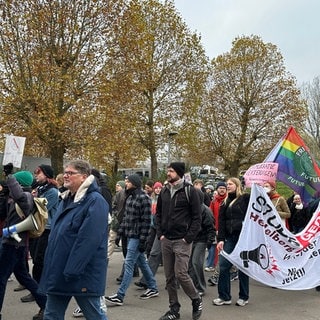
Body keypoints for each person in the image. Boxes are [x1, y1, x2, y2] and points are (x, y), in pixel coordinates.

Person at [38, 160, 109, 319]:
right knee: (51, 314)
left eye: (70, 173)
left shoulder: (95, 201)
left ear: (84, 177)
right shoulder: (66, 199)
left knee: (93, 313)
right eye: (65, 172)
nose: (65, 175)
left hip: (80, 273)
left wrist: (72, 270)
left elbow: (88, 241)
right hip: (60, 270)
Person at [156, 162, 203, 320]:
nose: (168, 173)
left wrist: (188, 238)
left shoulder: (190, 191)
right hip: (166, 239)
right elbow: (158, 214)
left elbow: (197, 217)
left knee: (181, 273)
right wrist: (160, 234)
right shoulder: (164, 191)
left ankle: (196, 299)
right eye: (168, 170)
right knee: (169, 277)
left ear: (179, 173)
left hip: (182, 240)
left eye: (171, 171)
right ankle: (174, 309)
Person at [0, 164, 47, 320]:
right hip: (16, 244)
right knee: (24, 277)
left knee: (1, 280)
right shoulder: (16, 198)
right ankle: (46, 304)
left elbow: (19, 195)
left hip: (12, 245)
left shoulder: (25, 197)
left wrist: (10, 175)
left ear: (19, 184)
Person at [105, 174, 159, 306]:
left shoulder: (144, 199)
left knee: (129, 264)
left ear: (134, 183)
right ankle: (152, 287)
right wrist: (119, 234)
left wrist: (142, 241)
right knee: (142, 263)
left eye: (128, 182)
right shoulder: (129, 197)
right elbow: (126, 219)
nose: (126, 184)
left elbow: (146, 222)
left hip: (137, 237)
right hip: (129, 235)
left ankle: (120, 295)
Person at [20, 164, 59, 304]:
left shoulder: (53, 191)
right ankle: (37, 289)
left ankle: (39, 290)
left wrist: (33, 198)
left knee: (39, 261)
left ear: (47, 175)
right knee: (36, 259)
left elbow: (41, 208)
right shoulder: (40, 189)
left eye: (39, 173)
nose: (36, 176)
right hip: (37, 228)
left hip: (46, 229)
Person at [213, 177, 250, 307]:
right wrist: (221, 239)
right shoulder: (224, 202)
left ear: (237, 185)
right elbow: (221, 222)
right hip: (230, 238)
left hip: (244, 238)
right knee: (223, 266)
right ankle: (224, 296)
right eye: (227, 184)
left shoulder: (245, 198)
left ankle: (244, 296)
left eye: (230, 184)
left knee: (242, 268)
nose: (228, 186)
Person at [135, 181, 163, 290]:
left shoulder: (164, 198)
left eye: (159, 188)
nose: (157, 190)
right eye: (156, 188)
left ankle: (177, 281)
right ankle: (146, 280)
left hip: (164, 230)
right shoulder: (151, 198)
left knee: (172, 257)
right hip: (153, 228)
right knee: (153, 253)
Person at [188, 189, 215, 296]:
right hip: (191, 239)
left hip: (201, 240)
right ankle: (194, 285)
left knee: (196, 262)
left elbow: (210, 227)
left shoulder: (205, 210)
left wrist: (209, 241)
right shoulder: (191, 209)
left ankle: (201, 287)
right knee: (190, 264)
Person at [207, 181, 227, 281]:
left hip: (226, 230)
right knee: (217, 249)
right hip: (216, 229)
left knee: (224, 250)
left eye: (224, 188)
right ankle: (217, 268)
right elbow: (210, 215)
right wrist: (213, 227)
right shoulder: (214, 201)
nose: (222, 189)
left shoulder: (228, 200)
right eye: (220, 188)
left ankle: (222, 271)